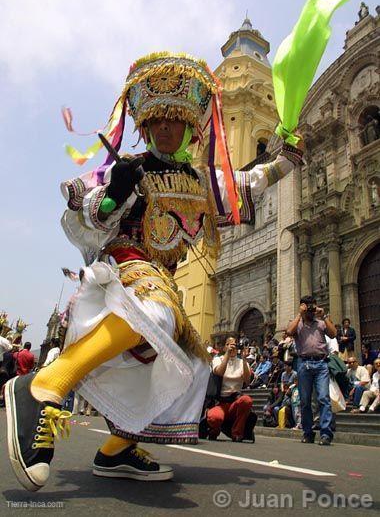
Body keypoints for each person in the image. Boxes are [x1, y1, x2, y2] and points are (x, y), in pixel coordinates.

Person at [5, 51, 304, 492]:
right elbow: (87, 214)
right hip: (126, 268)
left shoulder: (201, 181)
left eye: (174, 121)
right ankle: (43, 386)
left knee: (182, 365)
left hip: (161, 279)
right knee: (158, 315)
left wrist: (287, 157)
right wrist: (116, 192)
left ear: (189, 126)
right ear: (144, 127)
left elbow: (249, 183)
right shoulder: (128, 168)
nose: (165, 129)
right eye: (157, 122)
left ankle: (117, 450)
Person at [287, 295, 337, 445]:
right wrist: (299, 314)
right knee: (305, 401)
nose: (310, 309)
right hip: (304, 364)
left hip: (321, 364)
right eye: (307, 306)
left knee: (323, 398)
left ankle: (326, 434)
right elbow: (289, 331)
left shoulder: (321, 323)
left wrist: (324, 316)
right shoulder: (298, 324)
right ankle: (308, 433)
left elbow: (333, 334)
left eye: (312, 306)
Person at [207, 337, 253, 441]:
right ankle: (214, 429)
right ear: (224, 347)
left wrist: (244, 359)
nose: (232, 348)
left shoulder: (242, 362)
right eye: (228, 344)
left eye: (234, 345)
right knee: (214, 418)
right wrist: (227, 355)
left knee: (247, 400)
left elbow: (247, 380)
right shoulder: (218, 359)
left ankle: (237, 433)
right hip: (221, 402)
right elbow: (219, 372)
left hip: (235, 402)